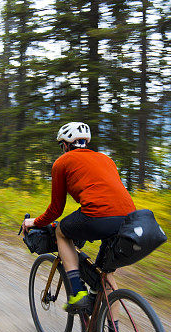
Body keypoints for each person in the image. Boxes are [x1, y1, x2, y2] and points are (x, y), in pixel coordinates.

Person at [21, 122, 136, 312]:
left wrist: (34, 221)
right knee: (105, 276)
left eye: (61, 146)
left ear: (66, 145)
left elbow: (56, 210)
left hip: (98, 215)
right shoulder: (106, 159)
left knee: (61, 231)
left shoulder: (62, 162)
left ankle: (77, 292)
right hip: (130, 220)